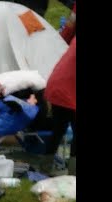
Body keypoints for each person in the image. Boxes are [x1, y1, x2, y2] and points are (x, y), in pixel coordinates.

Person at [44, 35, 75, 173]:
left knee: (57, 131)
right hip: (68, 90)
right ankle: (73, 175)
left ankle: (43, 170)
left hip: (56, 86)